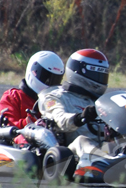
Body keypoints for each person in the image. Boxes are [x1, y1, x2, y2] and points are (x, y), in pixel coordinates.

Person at [37, 48, 112, 180]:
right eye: (95, 73)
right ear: (78, 71)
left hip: (102, 149)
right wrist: (80, 117)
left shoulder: (100, 102)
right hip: (70, 153)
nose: (99, 78)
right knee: (82, 140)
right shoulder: (55, 97)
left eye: (102, 74)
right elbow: (61, 120)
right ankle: (108, 165)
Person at [0, 51, 65, 128]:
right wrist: (33, 120)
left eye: (55, 80)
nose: (50, 83)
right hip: (25, 135)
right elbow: (9, 127)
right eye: (46, 77)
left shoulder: (57, 100)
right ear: (33, 71)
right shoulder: (13, 97)